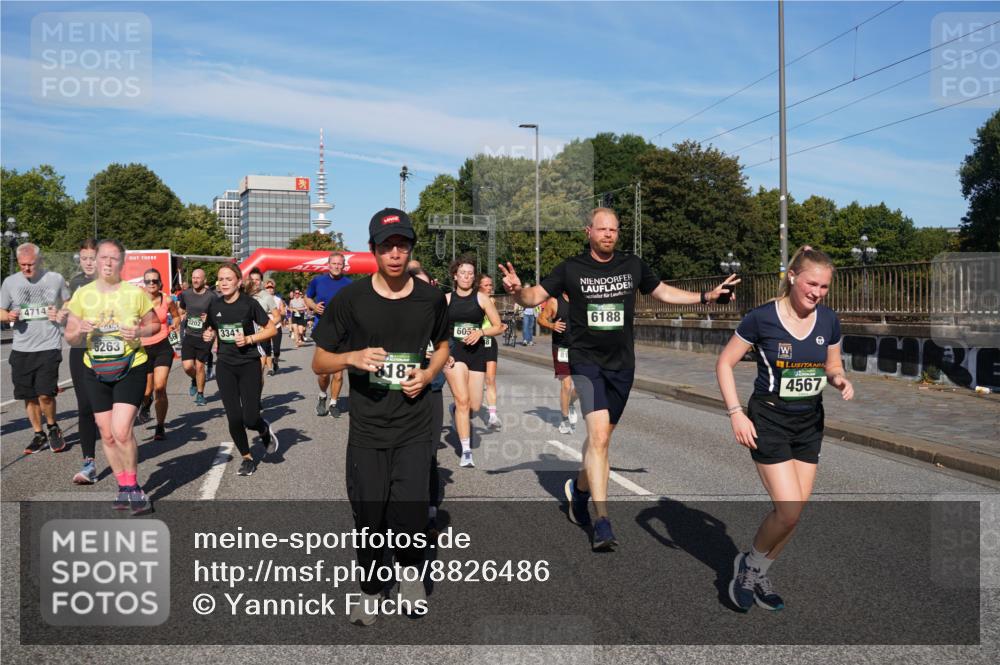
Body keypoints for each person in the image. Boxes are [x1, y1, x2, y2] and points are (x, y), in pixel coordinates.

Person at [499, 207, 739, 550]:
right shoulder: (571, 268)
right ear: (589, 232)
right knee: (597, 438)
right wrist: (515, 292)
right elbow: (533, 298)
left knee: (602, 442)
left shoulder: (633, 265)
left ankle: (578, 491)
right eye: (602, 229)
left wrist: (706, 297)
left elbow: (664, 293)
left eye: (614, 229)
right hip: (585, 362)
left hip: (622, 366)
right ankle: (602, 521)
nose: (608, 234)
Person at [312, 208, 449, 626]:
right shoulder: (350, 300)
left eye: (402, 245)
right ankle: (370, 589)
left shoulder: (429, 298)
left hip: (413, 424)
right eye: (387, 246)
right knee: (370, 516)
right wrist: (352, 357)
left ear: (410, 249)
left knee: (409, 513)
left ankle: (409, 573)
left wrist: (427, 374)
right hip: (368, 429)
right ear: (372, 250)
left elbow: (443, 346)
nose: (395, 253)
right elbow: (319, 362)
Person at [716, 245, 853, 612]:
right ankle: (748, 569)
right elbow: (725, 364)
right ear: (793, 276)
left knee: (793, 513)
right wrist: (735, 413)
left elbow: (833, 364)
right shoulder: (761, 319)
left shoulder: (829, 320)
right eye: (812, 284)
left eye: (824, 287)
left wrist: (839, 379)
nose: (817, 293)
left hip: (809, 423)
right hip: (770, 420)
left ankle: (757, 568)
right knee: (788, 511)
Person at [64, 239, 159, 515]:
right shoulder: (83, 295)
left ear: (121, 262)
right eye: (102, 257)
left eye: (113, 258)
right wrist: (79, 329)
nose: (107, 262)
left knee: (121, 430)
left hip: (131, 366)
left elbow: (154, 322)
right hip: (95, 369)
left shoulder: (134, 293)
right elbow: (70, 337)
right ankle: (123, 485)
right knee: (106, 434)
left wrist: (139, 333)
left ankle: (134, 487)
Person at [201, 263, 279, 476]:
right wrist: (208, 336)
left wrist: (249, 338)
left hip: (249, 364)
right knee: (234, 417)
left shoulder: (249, 304)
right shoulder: (214, 305)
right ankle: (247, 457)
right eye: (221, 279)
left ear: (237, 281)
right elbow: (210, 330)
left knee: (250, 418)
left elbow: (271, 329)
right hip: (225, 365)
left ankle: (263, 429)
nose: (224, 283)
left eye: (228, 279)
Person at [0, 243, 69, 454]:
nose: (26, 269)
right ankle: (39, 434)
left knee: (45, 393)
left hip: (48, 344)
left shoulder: (55, 278)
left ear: (39, 261)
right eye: (22, 265)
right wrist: (8, 316)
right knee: (28, 395)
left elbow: (69, 303)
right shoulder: (10, 282)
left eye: (30, 264)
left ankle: (52, 426)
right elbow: (1, 311)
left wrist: (60, 313)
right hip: (21, 348)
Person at [443, 256, 503, 468]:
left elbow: (499, 326)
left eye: (470, 273)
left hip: (477, 354)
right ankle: (466, 451)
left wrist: (481, 331)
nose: (466, 276)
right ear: (455, 276)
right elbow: (435, 329)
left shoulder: (482, 299)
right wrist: (442, 352)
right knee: (463, 400)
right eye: (462, 273)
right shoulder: (447, 299)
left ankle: (455, 410)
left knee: (475, 405)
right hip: (455, 353)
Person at [410, 265, 455, 538]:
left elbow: (445, 344)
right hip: (400, 391)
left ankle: (428, 514)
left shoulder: (439, 314)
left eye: (426, 286)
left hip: (433, 389)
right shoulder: (395, 314)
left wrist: (444, 354)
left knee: (429, 454)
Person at [64, 239, 100, 482]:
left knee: (109, 410)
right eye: (84, 258)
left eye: (92, 258)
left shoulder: (112, 283)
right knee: (85, 407)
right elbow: (68, 319)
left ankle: (124, 461)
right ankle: (89, 463)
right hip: (80, 349)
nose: (88, 263)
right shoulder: (75, 283)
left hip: (108, 351)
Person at [305, 252, 352, 417]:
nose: (337, 266)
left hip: (343, 332)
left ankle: (334, 403)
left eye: (340, 264)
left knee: (338, 373)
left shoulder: (349, 284)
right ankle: (322, 395)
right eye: (334, 263)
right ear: (328, 265)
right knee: (324, 372)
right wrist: (314, 306)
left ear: (344, 265)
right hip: (323, 330)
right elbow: (307, 297)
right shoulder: (318, 281)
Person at [138, 268, 181, 440]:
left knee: (160, 387)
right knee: (146, 390)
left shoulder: (167, 300)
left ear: (160, 282)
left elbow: (177, 316)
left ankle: (160, 426)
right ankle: (146, 404)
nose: (151, 284)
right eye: (148, 281)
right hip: (143, 349)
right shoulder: (137, 300)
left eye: (154, 281)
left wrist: (173, 325)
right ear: (144, 283)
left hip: (163, 346)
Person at [538, 293, 579, 434]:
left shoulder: (582, 298)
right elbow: (541, 319)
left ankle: (571, 403)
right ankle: (565, 420)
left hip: (580, 348)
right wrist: (551, 325)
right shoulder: (554, 302)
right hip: (561, 347)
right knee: (566, 385)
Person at [178, 269, 216, 406]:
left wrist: (209, 318)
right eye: (193, 277)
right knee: (188, 367)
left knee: (200, 367)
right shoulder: (185, 294)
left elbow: (218, 315)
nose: (195, 280)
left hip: (204, 336)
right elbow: (181, 309)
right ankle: (194, 379)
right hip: (189, 335)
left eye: (198, 278)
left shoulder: (212, 296)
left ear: (204, 280)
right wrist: (182, 315)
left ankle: (200, 394)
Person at [477, 274, 506, 430]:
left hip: (489, 342)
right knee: (473, 382)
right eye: (486, 285)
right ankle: (457, 407)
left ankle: (492, 415)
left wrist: (501, 328)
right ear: (479, 286)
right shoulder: (473, 301)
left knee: (490, 379)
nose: (490, 288)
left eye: (490, 285)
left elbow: (497, 326)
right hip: (474, 343)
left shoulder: (492, 302)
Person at [246, 268, 280, 381]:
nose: (255, 282)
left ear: (261, 282)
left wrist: (265, 326)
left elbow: (278, 317)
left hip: (261, 336)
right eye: (252, 279)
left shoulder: (267, 296)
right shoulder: (242, 295)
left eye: (257, 279)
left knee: (257, 372)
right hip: (245, 335)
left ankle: (256, 397)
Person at [265, 279, 285, 375]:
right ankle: (269, 369)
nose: (270, 289)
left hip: (277, 326)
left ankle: (275, 361)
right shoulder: (262, 299)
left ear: (274, 289)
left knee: (276, 349)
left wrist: (275, 312)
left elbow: (283, 312)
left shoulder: (278, 299)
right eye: (268, 287)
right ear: (265, 289)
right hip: (266, 327)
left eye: (271, 287)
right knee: (267, 348)